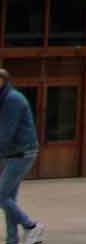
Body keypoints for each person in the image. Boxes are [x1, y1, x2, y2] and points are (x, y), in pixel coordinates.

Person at [0, 69, 39, 244]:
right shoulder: (4, 98)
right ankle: (12, 240)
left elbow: (6, 133)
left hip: (22, 153)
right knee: (9, 198)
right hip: (12, 153)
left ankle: (31, 226)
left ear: (2, 80)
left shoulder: (12, 100)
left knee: (1, 196)